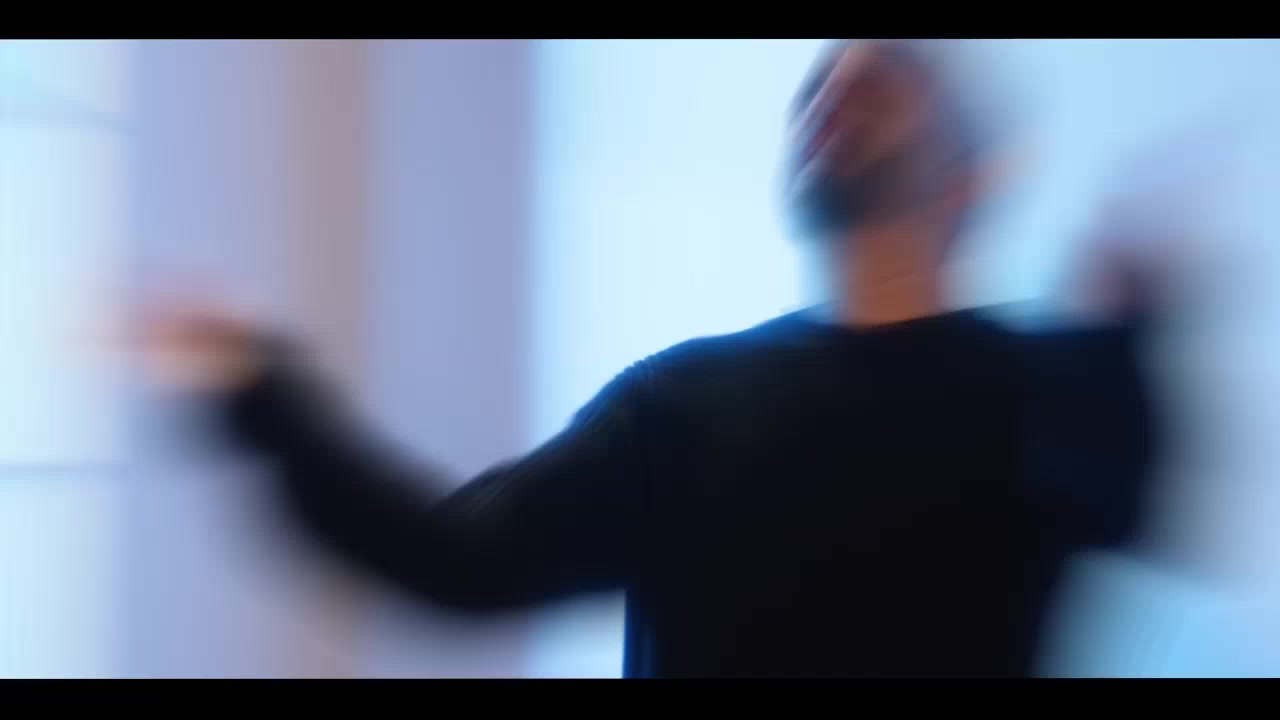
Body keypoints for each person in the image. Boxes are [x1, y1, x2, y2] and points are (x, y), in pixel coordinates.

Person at [145, 39, 1171, 677]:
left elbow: (1127, 500)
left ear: (965, 178)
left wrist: (1133, 332)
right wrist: (258, 389)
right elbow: (452, 560)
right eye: (816, 92)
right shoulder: (686, 405)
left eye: (880, 85)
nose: (830, 100)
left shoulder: (1047, 388)